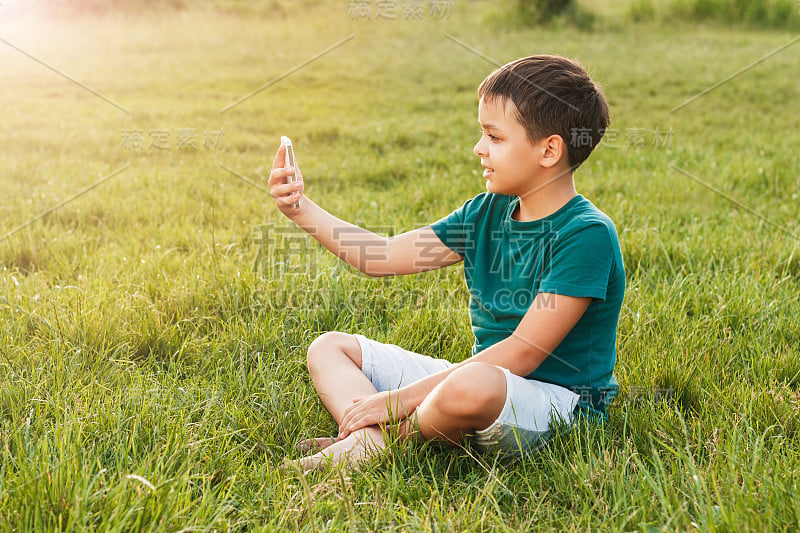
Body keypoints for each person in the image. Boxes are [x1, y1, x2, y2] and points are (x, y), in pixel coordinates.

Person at [267, 55, 625, 470]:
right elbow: (381, 256)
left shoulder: (586, 235)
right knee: (329, 347)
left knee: (470, 383)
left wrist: (399, 400)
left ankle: (378, 443)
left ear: (548, 150)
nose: (479, 148)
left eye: (494, 137)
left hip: (557, 406)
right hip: (478, 379)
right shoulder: (486, 213)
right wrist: (300, 209)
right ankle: (370, 435)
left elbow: (522, 356)